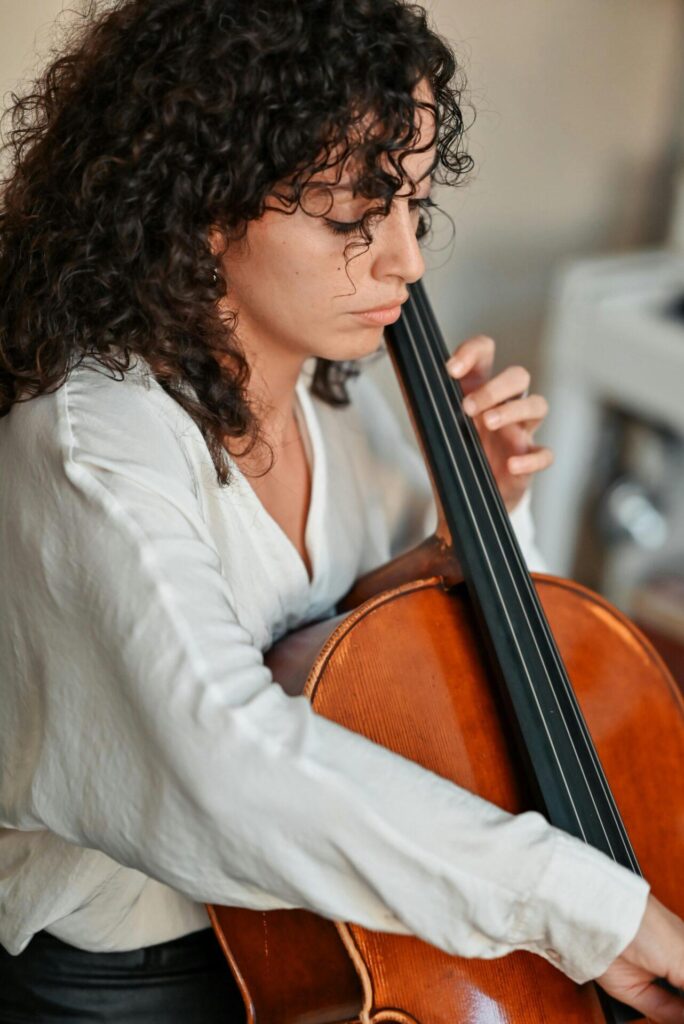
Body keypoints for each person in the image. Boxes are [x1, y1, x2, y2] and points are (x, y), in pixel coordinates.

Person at [0, 1, 683, 1022]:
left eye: (413, 205)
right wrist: (588, 908)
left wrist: (463, 542)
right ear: (202, 202)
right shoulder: (90, 447)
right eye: (353, 216)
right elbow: (228, 762)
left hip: (344, 927)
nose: (407, 260)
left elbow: (387, 678)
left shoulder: (342, 393)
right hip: (138, 983)